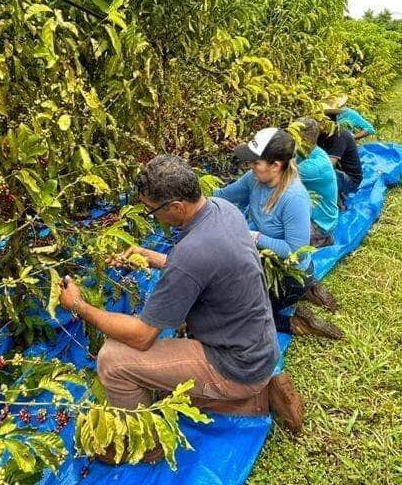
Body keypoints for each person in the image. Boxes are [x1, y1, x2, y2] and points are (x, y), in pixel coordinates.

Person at [57, 155, 304, 463]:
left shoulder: (191, 254)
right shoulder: (222, 209)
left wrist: (80, 306)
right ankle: (253, 395)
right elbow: (208, 267)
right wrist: (153, 257)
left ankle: (147, 443)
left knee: (114, 358)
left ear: (175, 207)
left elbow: (142, 337)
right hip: (257, 349)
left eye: (152, 209)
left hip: (237, 365)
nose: (152, 216)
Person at [214, 128, 342, 336]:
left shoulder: (293, 198)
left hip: (288, 274)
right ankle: (307, 292)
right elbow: (223, 196)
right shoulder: (254, 179)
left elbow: (295, 250)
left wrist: (253, 236)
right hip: (266, 261)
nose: (251, 166)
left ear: (276, 165)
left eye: (256, 162)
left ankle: (296, 322)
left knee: (236, 314)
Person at [294, 117, 338, 249]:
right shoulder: (306, 152)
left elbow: (275, 175)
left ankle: (322, 239)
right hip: (313, 215)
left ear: (304, 140)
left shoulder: (314, 166)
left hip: (318, 224)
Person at [318, 113, 364, 204]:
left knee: (322, 176)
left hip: (351, 180)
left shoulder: (339, 136)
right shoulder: (324, 135)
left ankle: (339, 202)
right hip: (339, 173)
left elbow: (328, 166)